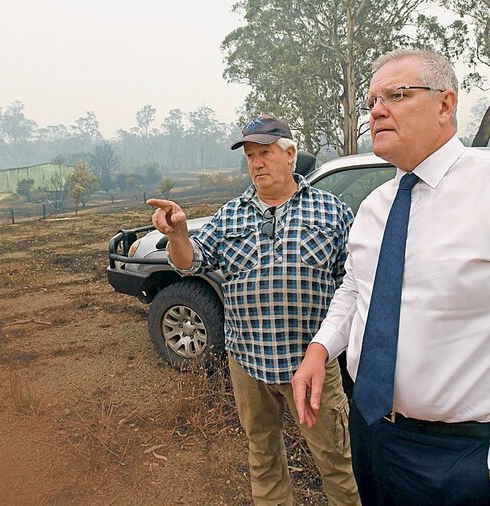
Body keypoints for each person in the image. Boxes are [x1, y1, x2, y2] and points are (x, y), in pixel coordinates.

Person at [291, 49, 490, 506]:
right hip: (372, 433)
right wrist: (321, 347)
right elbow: (357, 288)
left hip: (462, 454)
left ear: (445, 104)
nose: (377, 110)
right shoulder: (375, 207)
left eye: (397, 94)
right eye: (371, 101)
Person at [147, 115, 360, 506]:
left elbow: (354, 285)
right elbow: (188, 263)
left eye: (265, 153)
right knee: (263, 457)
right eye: (250, 156)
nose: (257, 163)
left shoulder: (333, 213)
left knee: (336, 460)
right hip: (247, 362)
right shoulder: (230, 215)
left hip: (310, 365)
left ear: (290, 154)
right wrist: (178, 233)